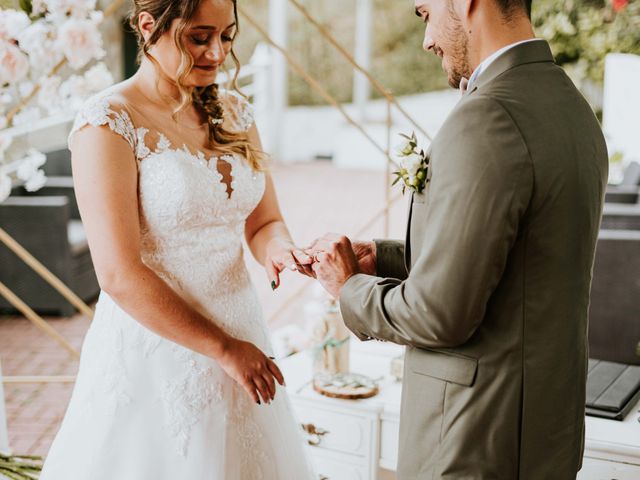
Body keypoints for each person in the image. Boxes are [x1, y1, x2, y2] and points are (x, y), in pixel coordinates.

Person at [304, 0, 609, 478]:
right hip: (543, 437)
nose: (426, 41)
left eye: (425, 13)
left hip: (473, 443)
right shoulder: (572, 108)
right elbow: (513, 262)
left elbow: (440, 314)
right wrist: (381, 259)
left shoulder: (488, 116)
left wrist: (348, 289)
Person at [40, 1, 315, 478]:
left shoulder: (236, 110)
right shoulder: (107, 122)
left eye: (227, 37)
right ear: (149, 27)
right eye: (199, 37)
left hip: (244, 334)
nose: (217, 53)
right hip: (159, 354)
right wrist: (224, 348)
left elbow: (264, 221)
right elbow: (118, 274)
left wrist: (282, 250)